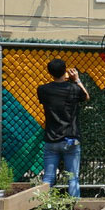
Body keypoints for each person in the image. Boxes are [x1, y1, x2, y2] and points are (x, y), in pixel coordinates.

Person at [38, 59, 90, 197]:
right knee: (73, 178)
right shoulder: (73, 88)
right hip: (71, 138)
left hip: (51, 139)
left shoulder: (43, 90)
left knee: (48, 178)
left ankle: (45, 205)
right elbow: (85, 96)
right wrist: (76, 80)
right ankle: (75, 207)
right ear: (65, 70)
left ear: (49, 72)